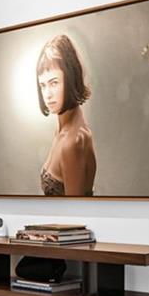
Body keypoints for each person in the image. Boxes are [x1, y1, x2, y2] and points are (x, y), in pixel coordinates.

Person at [35, 34, 97, 196]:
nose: (47, 94)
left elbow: (74, 214)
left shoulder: (73, 142)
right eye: (43, 85)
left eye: (54, 83)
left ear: (70, 79)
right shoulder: (63, 128)